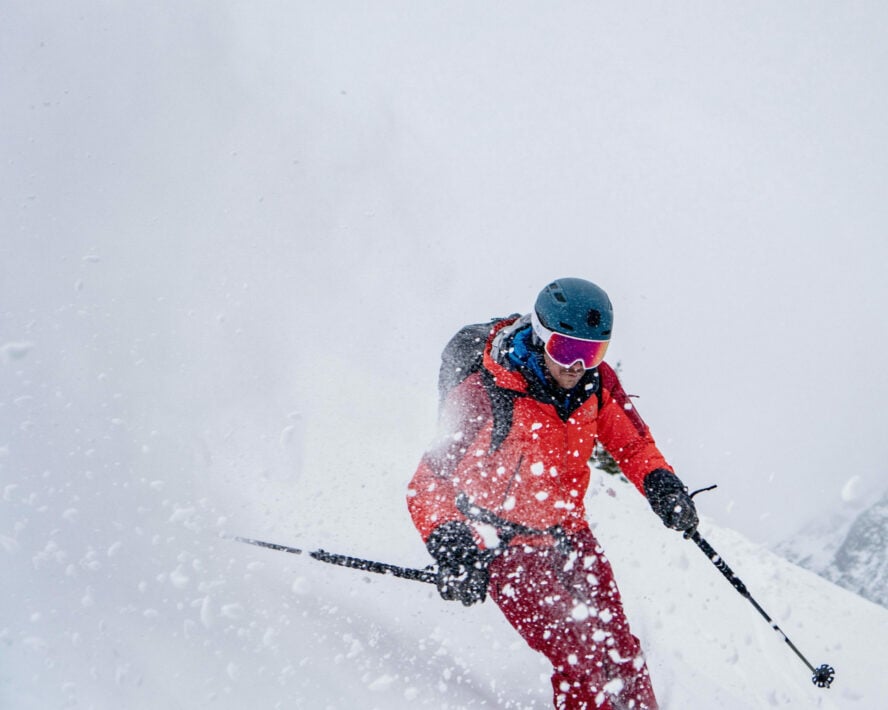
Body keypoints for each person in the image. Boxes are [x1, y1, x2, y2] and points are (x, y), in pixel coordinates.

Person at [406, 277, 698, 710]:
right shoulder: (485, 393)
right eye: (566, 349)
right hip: (500, 541)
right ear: (541, 336)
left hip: (568, 532)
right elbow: (429, 482)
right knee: (579, 657)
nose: (577, 365)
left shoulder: (595, 385)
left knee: (618, 650)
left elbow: (632, 444)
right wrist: (453, 546)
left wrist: (660, 483)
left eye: (592, 352)